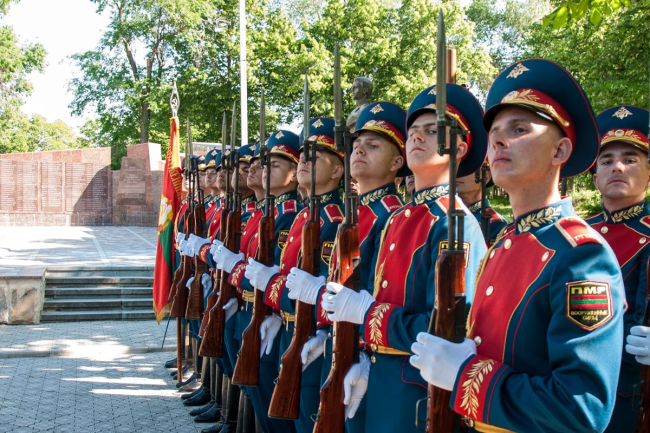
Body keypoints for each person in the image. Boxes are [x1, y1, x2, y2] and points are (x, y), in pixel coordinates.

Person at [409, 59, 626, 432]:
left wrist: (465, 375)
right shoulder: (505, 241)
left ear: (559, 151)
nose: (496, 141)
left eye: (519, 129)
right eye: (494, 132)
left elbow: (581, 410)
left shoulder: (581, 254)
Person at [321, 84, 488, 432]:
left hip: (416, 392)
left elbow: (447, 329)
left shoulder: (453, 223)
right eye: (413, 131)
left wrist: (368, 315)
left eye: (432, 131)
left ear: (459, 148)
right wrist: (365, 358)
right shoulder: (397, 219)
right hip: (380, 377)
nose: (417, 137)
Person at [285, 102, 409, 432]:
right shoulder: (355, 216)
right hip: (336, 345)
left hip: (364, 355)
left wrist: (363, 351)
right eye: (357, 145)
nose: (360, 151)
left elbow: (378, 292)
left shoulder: (390, 217)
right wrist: (323, 329)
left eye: (373, 145)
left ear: (397, 162)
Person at [245, 117, 345, 433]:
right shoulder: (305, 214)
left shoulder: (332, 219)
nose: (303, 161)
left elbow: (325, 289)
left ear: (337, 171)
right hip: (288, 330)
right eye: (302, 155)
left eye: (314, 156)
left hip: (311, 335)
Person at [586, 106, 650, 432]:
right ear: (595, 176)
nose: (618, 167)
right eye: (607, 160)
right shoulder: (576, 232)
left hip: (627, 394)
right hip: (566, 389)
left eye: (630, 159)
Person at [456, 163, 508, 245]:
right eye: (453, 167)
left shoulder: (496, 224)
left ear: (486, 177)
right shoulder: (442, 215)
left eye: (465, 167)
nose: (457, 173)